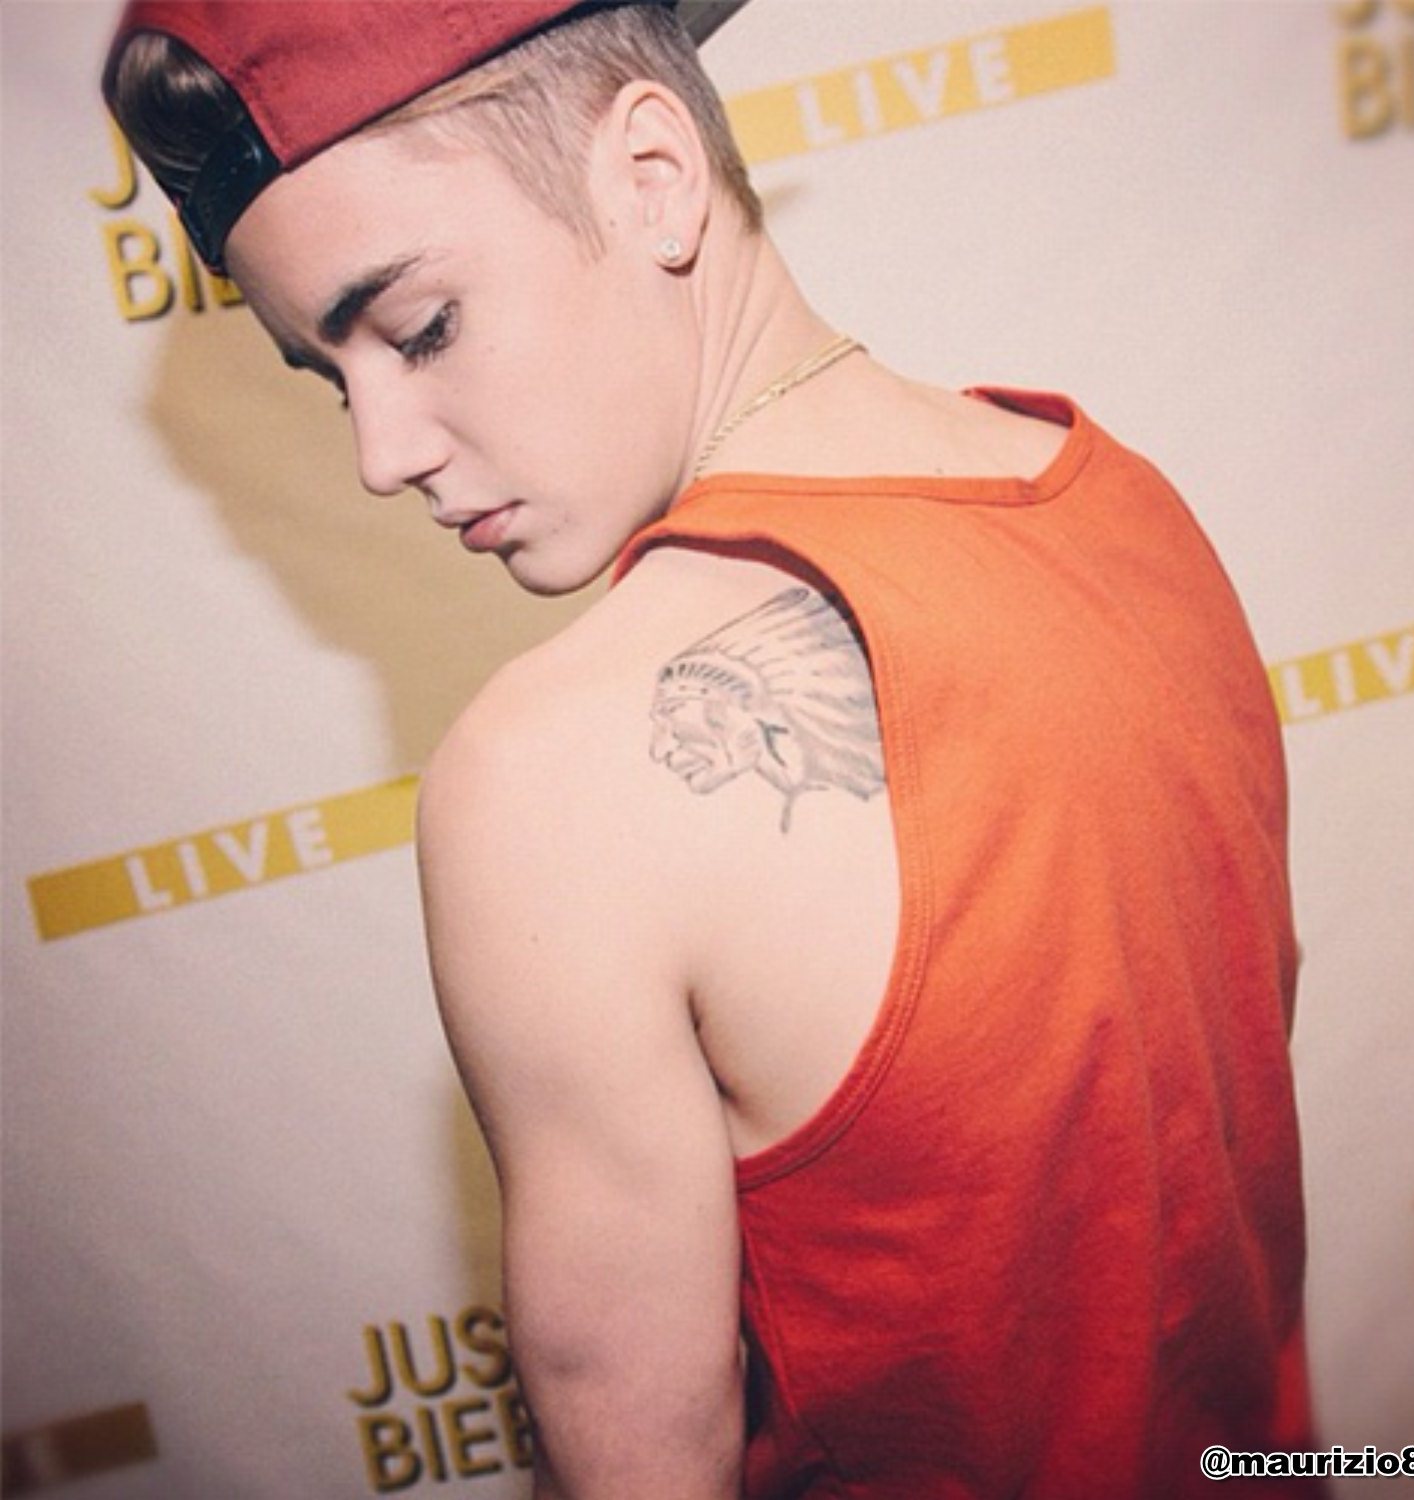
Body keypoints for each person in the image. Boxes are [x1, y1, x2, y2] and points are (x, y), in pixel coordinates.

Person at [104, 3, 1323, 1495]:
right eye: (332, 376)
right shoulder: (1122, 499)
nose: (381, 453)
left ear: (655, 176)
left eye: (420, 329)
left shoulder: (553, 780)